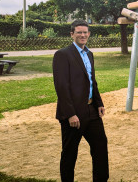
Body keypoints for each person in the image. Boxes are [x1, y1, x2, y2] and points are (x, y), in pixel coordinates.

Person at [53, 19, 109, 181]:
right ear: (72, 34)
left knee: (100, 147)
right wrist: (70, 114)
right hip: (73, 114)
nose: (83, 35)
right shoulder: (63, 55)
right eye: (79, 32)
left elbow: (92, 81)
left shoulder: (89, 54)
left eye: (85, 32)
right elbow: (62, 87)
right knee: (70, 153)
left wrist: (99, 103)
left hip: (91, 111)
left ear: (89, 34)